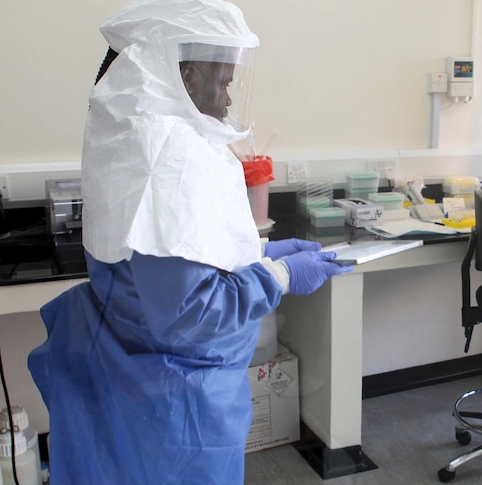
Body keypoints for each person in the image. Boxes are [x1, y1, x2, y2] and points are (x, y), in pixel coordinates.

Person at [27, 1, 351, 483]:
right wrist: (277, 276)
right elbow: (187, 313)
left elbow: (170, 267)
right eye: (221, 83)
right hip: (177, 400)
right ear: (187, 75)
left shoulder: (139, 137)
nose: (226, 100)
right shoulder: (172, 158)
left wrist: (254, 255)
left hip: (139, 380)